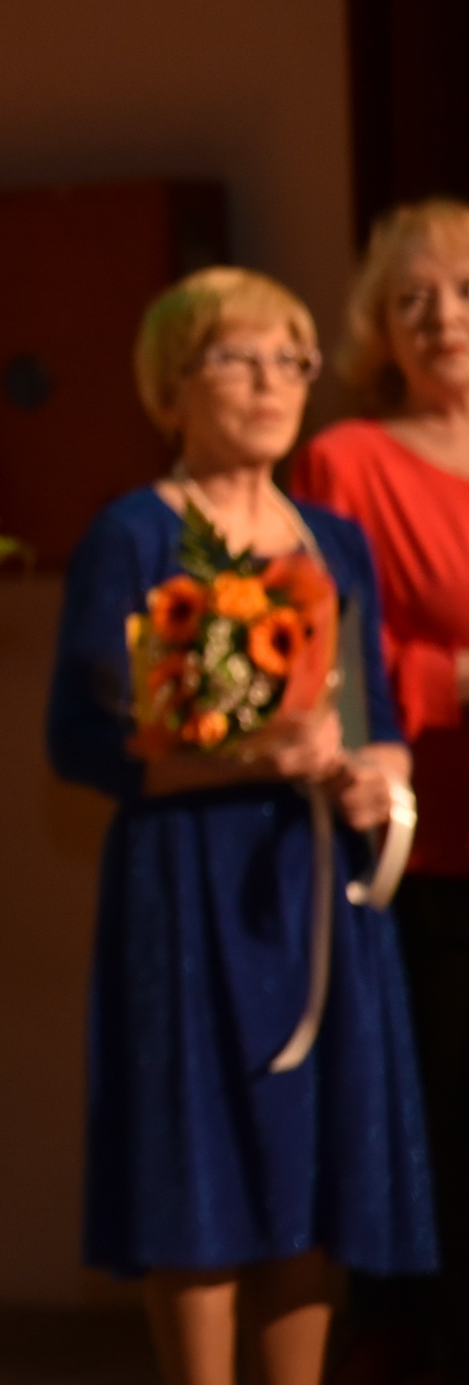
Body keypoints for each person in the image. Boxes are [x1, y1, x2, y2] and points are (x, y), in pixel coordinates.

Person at [50, 268, 436, 1385]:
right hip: (187, 884)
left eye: (291, 361)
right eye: (238, 359)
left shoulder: (334, 541)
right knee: (198, 1160)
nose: (271, 384)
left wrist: (376, 781)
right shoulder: (133, 534)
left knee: (311, 1160)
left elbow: (374, 716)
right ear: (172, 387)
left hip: (315, 889)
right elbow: (78, 739)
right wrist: (239, 757)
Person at [288, 206, 469, 1379]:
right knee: (442, 1121)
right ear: (378, 330)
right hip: (425, 839)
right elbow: (330, 656)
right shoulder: (345, 461)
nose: (442, 318)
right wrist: (446, 677)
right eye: (413, 300)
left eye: (462, 291)